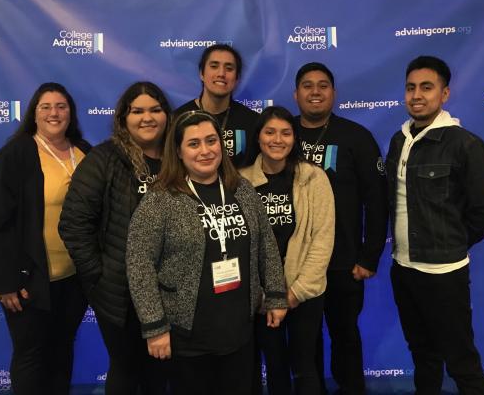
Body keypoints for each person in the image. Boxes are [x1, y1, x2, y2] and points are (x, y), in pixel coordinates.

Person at [126, 110, 288, 395]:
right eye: (194, 143)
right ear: (178, 150)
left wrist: (275, 294)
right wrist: (155, 327)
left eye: (211, 141)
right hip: (188, 337)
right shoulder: (161, 199)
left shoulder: (242, 189)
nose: (205, 150)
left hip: (239, 331)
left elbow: (266, 246)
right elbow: (139, 263)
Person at [386, 56, 484, 395]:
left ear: (444, 94)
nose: (416, 95)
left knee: (461, 359)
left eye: (426, 87)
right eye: (410, 88)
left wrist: (452, 243)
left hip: (444, 274)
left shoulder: (465, 144)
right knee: (423, 355)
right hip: (403, 268)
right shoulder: (399, 140)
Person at [0, 82, 90, 395]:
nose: (55, 113)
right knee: (31, 357)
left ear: (71, 113)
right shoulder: (16, 154)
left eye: (61, 106)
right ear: (34, 115)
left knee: (62, 351)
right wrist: (6, 282)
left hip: (74, 280)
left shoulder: (84, 152)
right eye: (46, 107)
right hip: (28, 281)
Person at [58, 82, 171, 394]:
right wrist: (100, 275)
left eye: (155, 110)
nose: (147, 118)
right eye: (138, 111)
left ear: (166, 116)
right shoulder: (105, 158)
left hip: (170, 291)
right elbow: (73, 223)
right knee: (125, 369)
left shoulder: (178, 158)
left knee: (159, 374)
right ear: (124, 118)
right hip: (120, 293)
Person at [293, 62, 388, 395]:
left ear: (333, 93)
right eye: (307, 85)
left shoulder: (356, 137)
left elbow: (377, 201)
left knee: (345, 337)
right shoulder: (281, 135)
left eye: (323, 85)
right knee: (306, 342)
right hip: (296, 266)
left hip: (344, 263)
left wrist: (370, 256)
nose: (315, 91)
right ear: (296, 94)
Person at [240, 106, 335, 395]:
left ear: (294, 139)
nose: (277, 139)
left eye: (285, 132)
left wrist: (293, 295)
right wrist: (268, 298)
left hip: (304, 293)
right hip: (260, 299)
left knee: (305, 368)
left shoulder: (313, 178)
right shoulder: (239, 181)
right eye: (270, 132)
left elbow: (322, 240)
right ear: (258, 138)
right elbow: (239, 243)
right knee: (274, 367)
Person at [175, 43, 258, 168]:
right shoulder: (178, 118)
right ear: (201, 74)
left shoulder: (253, 121)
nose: (221, 73)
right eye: (214, 66)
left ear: (237, 79)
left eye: (229, 68)